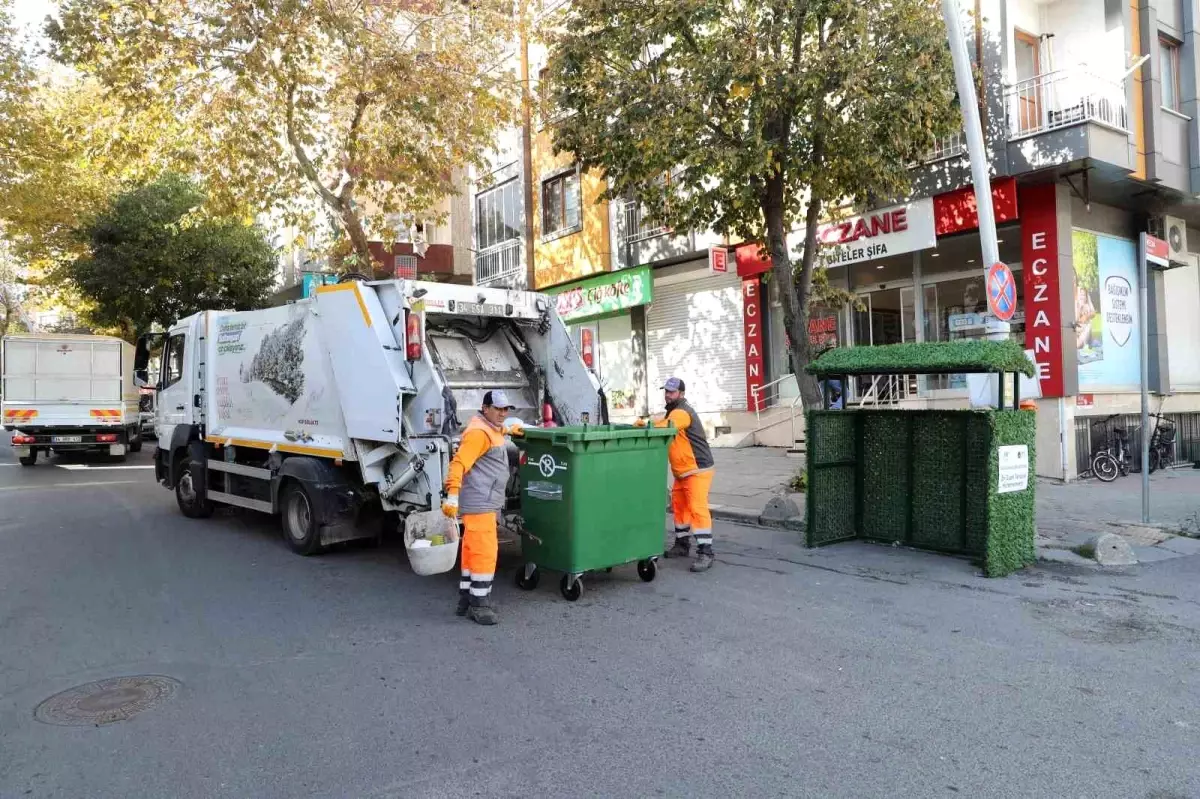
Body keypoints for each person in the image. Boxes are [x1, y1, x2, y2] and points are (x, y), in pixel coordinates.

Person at [442, 390, 524, 625]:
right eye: (497, 409)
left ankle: (466, 600)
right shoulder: (479, 433)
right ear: (485, 408)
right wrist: (452, 496)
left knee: (471, 552)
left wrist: (510, 430)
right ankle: (480, 605)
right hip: (480, 503)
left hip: (483, 502)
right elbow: (458, 464)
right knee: (484, 553)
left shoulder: (489, 429)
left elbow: (496, 434)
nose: (502, 413)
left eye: (505, 409)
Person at [635, 377, 715, 572]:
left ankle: (706, 552)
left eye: (672, 392)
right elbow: (661, 421)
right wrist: (645, 422)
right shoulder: (673, 411)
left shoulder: (682, 412)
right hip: (683, 472)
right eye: (666, 391)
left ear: (681, 394)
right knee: (680, 508)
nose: (668, 394)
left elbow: (665, 426)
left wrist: (644, 425)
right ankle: (682, 544)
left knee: (697, 509)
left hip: (697, 470)